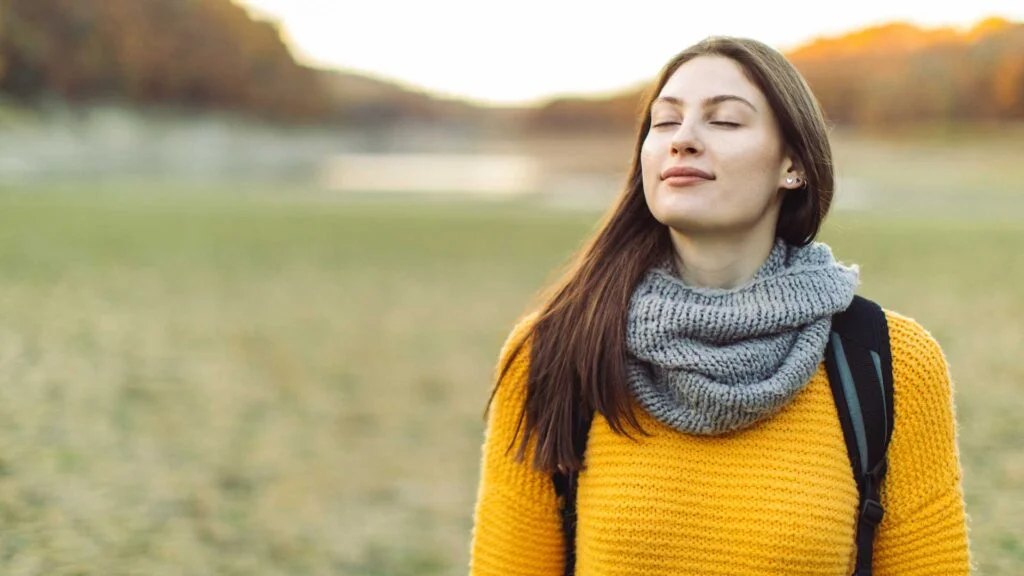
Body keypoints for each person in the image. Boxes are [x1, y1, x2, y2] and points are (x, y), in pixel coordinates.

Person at [466, 36, 971, 575]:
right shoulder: (553, 350)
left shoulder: (890, 361)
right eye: (664, 122)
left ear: (793, 165)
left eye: (724, 121)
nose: (683, 140)